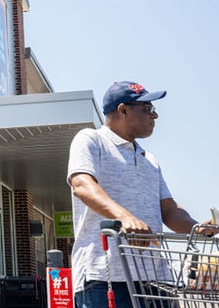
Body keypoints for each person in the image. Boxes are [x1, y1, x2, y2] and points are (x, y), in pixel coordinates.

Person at [67, 80, 208, 308]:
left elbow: (169, 211)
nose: (155, 116)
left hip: (155, 280)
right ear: (123, 110)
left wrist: (197, 228)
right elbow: (82, 184)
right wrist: (124, 217)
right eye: (147, 109)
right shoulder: (91, 140)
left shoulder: (149, 159)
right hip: (104, 277)